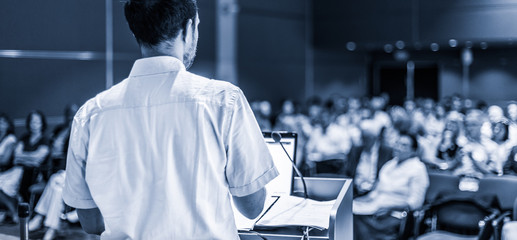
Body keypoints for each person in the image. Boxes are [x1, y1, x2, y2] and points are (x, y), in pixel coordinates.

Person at [62, 1, 279, 239]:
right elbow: (252, 206)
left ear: (138, 31)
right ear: (188, 29)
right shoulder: (223, 101)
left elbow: (91, 222)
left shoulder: (90, 114)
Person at [353, 132, 429, 240]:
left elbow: (415, 203)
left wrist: (388, 207)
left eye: (404, 145)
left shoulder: (418, 169)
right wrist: (358, 201)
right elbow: (374, 193)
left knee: (355, 219)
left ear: (413, 150)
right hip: (375, 208)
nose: (398, 147)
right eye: (397, 143)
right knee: (348, 210)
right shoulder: (389, 165)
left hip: (395, 214)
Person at [0, 111, 50, 222]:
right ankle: (12, 209)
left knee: (7, 185)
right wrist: (31, 157)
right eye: (32, 121)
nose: (34, 124)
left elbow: (39, 159)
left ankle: (13, 211)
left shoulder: (44, 140)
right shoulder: (24, 138)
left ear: (42, 124)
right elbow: (17, 155)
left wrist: (25, 157)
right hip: (17, 170)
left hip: (35, 174)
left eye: (37, 122)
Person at [344, 120, 393, 197]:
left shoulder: (386, 151)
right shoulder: (356, 150)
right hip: (355, 191)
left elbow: (389, 175)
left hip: (376, 192)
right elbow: (348, 171)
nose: (364, 141)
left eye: (367, 138)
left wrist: (375, 187)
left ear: (375, 137)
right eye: (363, 137)